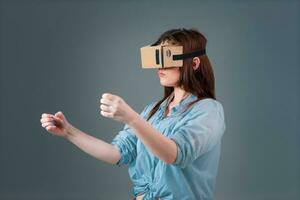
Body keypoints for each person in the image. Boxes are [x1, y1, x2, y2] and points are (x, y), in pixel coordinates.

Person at [40, 28, 226, 200]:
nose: (159, 66)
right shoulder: (153, 111)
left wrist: (132, 118)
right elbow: (116, 153)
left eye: (168, 56)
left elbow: (174, 154)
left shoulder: (208, 110)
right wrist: (69, 132)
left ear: (194, 63)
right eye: (157, 57)